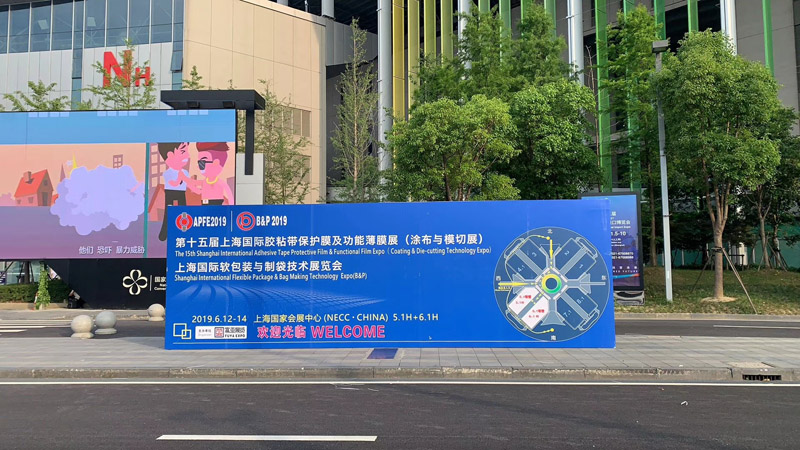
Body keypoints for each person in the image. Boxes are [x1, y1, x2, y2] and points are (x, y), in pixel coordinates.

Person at [157, 142, 191, 241]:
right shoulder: (168, 173)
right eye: (183, 151)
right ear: (170, 155)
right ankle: (164, 234)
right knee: (168, 213)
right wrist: (180, 179)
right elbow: (173, 183)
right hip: (170, 193)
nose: (187, 155)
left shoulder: (185, 172)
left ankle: (184, 233)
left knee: (183, 213)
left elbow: (189, 183)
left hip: (181, 193)